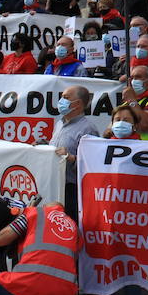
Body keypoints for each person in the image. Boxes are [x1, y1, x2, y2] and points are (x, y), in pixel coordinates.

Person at [82, 105, 146, 295]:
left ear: (135, 125)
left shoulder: (144, 148)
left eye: (126, 119)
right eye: (117, 118)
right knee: (104, 259)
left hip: (132, 215)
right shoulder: (101, 147)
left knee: (130, 263)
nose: (121, 123)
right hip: (105, 211)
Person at [52, 84, 99, 219]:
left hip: (73, 190)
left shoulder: (88, 129)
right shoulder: (59, 124)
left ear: (77, 104)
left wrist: (71, 158)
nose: (61, 101)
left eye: (66, 97)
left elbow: (93, 165)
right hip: (56, 185)